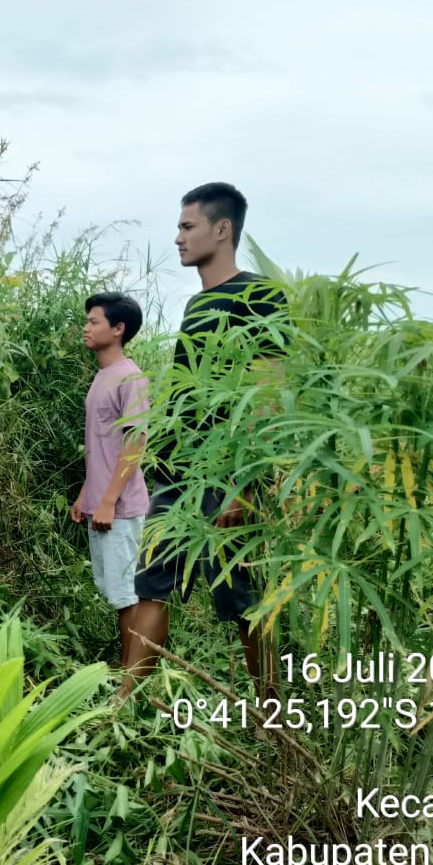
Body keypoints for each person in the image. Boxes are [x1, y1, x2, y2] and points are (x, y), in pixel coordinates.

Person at [124, 181, 289, 703]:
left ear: (222, 229)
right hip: (178, 470)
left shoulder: (259, 295)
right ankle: (122, 708)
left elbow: (267, 391)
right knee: (152, 583)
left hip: (226, 470)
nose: (178, 237)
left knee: (245, 598)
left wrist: (245, 483)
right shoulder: (198, 303)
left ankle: (271, 717)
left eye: (187, 226)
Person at [70, 292, 151, 679]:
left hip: (120, 507)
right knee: (115, 589)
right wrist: (86, 494)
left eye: (94, 321)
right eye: (86, 321)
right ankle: (127, 665)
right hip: (102, 501)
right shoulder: (103, 376)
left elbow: (135, 443)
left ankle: (131, 673)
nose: (86, 327)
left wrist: (108, 501)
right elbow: (101, 446)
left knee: (126, 593)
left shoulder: (130, 377)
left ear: (118, 329)